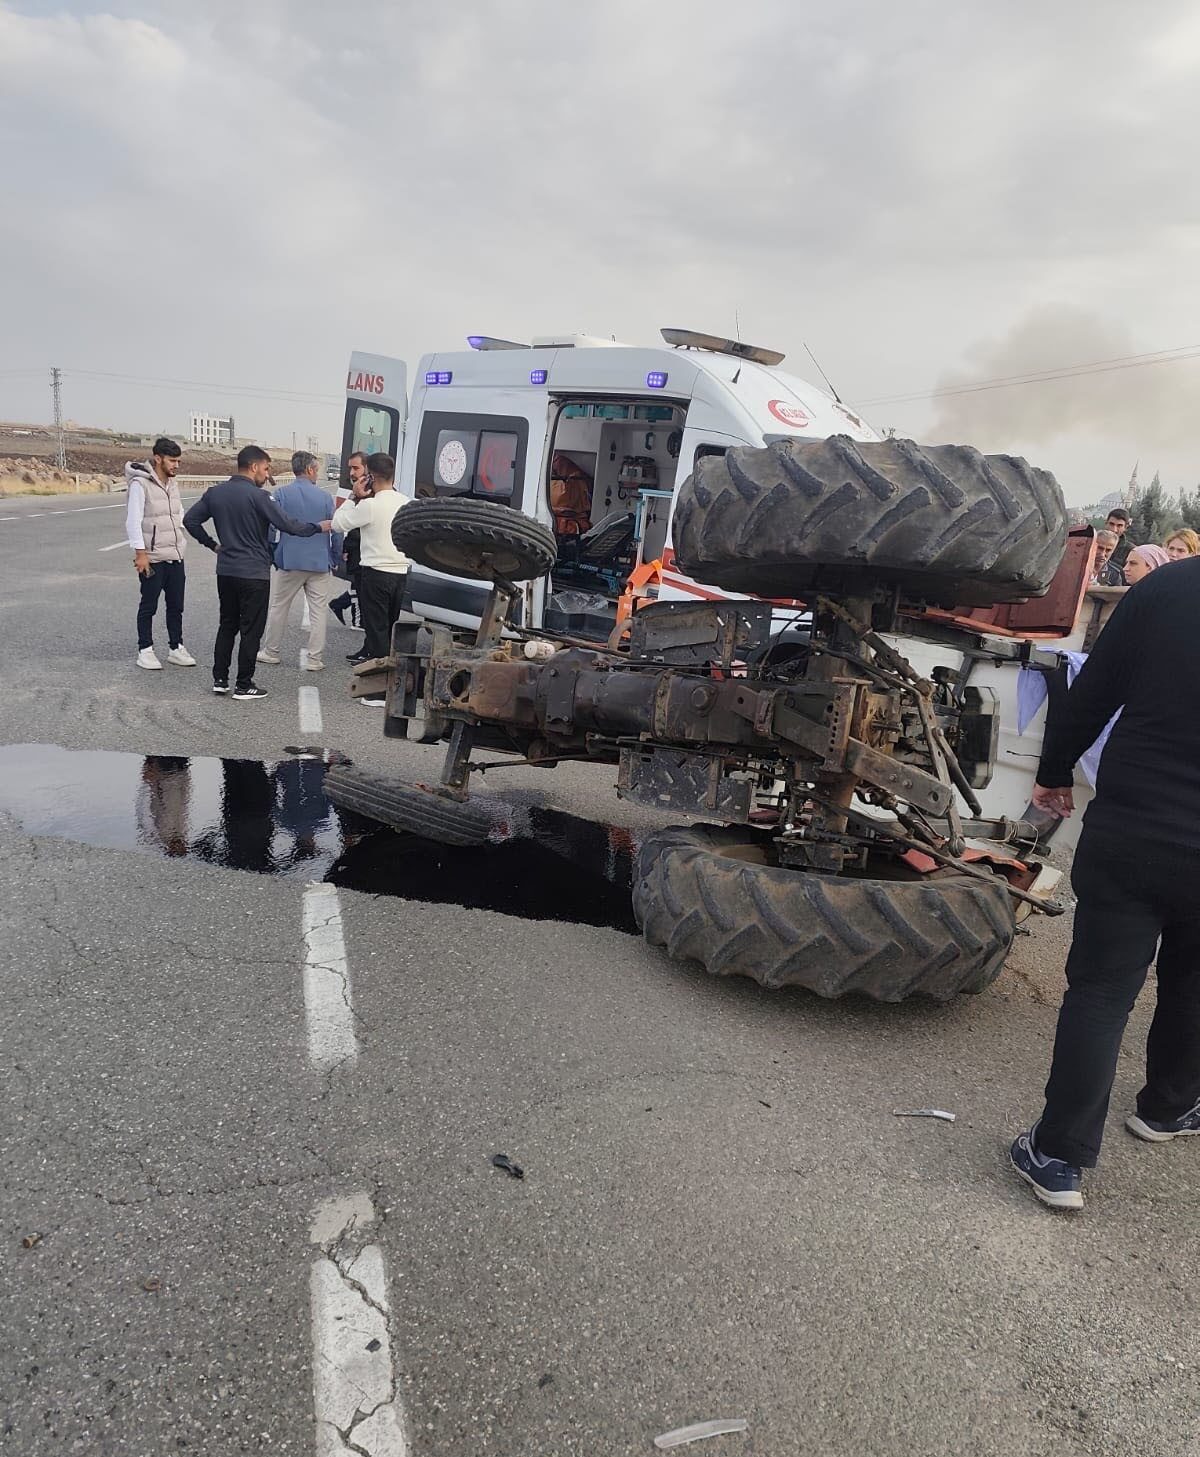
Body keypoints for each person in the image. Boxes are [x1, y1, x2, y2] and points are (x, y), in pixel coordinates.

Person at [1011, 551, 1200, 1210]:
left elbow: (1091, 693)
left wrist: (1055, 771)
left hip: (1136, 829)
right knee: (1193, 979)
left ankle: (1058, 1155)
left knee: (1102, 990)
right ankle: (1168, 1107)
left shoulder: (1167, 588)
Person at [182, 445, 331, 701]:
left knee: (227, 624)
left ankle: (220, 679)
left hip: (226, 570)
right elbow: (287, 525)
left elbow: (190, 521)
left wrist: (213, 545)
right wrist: (316, 528)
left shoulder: (215, 493)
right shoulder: (260, 497)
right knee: (251, 629)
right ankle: (244, 684)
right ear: (253, 467)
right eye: (265, 468)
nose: (267, 473)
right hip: (254, 573)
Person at [330, 452, 411, 707]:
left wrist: (354, 495)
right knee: (389, 631)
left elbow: (337, 523)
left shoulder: (369, 505)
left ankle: (378, 692)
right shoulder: (406, 503)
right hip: (400, 572)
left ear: (370, 477)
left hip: (375, 573)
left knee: (376, 633)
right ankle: (392, 686)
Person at [256, 451, 341, 673]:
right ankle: (314, 658)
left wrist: (274, 553)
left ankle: (271, 651)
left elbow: (271, 528)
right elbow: (336, 528)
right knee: (318, 611)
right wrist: (334, 556)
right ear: (311, 469)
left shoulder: (282, 493)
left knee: (279, 607)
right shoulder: (325, 497)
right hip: (319, 561)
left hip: (290, 560)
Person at [125, 437, 196, 670]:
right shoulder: (140, 484)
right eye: (172, 461)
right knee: (149, 605)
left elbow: (178, 515)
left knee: (176, 605)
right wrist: (141, 554)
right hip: (153, 558)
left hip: (175, 555)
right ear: (158, 459)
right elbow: (133, 522)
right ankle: (145, 650)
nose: (176, 465)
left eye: (179, 461)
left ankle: (176, 647)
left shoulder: (172, 485)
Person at [329, 452, 373, 661]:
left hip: (370, 556)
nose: (351, 473)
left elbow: (356, 525)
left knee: (370, 605)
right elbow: (349, 526)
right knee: (364, 599)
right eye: (350, 468)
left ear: (367, 468)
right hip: (358, 555)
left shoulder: (370, 494)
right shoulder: (359, 492)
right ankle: (368, 650)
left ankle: (370, 650)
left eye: (355, 468)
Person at [1105, 508, 1132, 572]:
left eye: (1119, 526)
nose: (1114, 529)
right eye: (1111, 524)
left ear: (1126, 527)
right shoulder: (1093, 543)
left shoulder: (1130, 550)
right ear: (1106, 523)